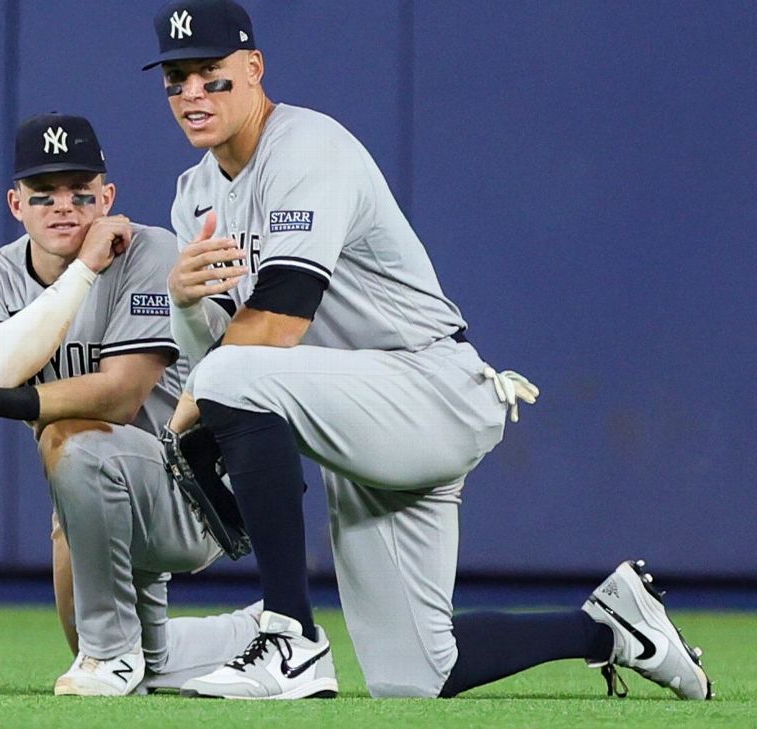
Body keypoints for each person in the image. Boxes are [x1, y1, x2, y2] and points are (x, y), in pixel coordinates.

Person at [142, 0, 711, 701]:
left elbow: (279, 323)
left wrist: (187, 417)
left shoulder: (307, 149)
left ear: (254, 69)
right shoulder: (193, 195)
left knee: (232, 372)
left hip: (429, 389)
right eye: (177, 79)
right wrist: (185, 302)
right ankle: (610, 626)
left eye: (211, 75)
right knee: (415, 674)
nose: (192, 94)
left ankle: (290, 634)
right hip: (357, 428)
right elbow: (218, 362)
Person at [0, 113, 260, 696]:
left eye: (80, 194)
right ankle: (258, 631)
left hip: (192, 490)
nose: (63, 207)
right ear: (16, 205)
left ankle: (110, 652)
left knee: (70, 436)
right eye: (44, 196)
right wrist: (82, 274)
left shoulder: (149, 252)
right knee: (150, 669)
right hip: (90, 497)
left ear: (107, 197)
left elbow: (120, 395)